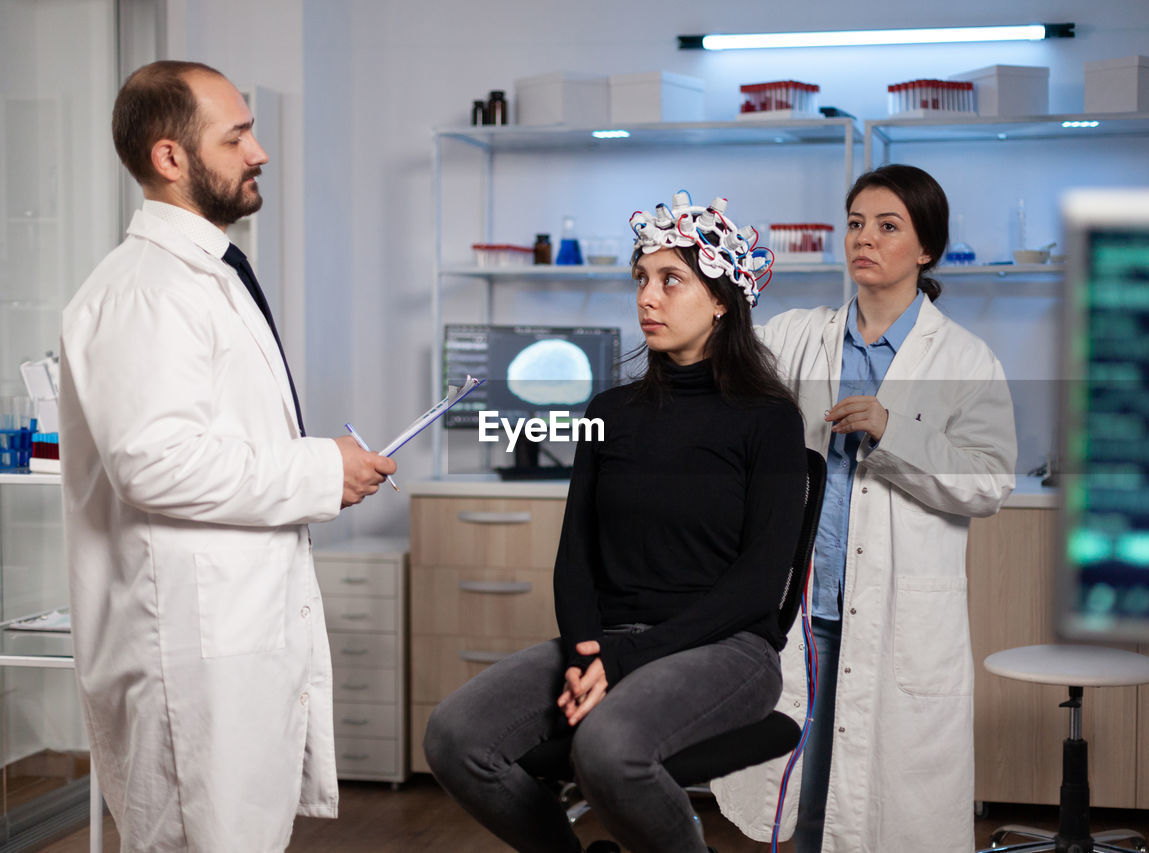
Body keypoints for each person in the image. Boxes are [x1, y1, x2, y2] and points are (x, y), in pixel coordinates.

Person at [60, 60, 396, 851]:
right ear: (171, 159)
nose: (260, 152)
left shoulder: (211, 273)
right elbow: (154, 462)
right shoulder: (146, 290)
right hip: (188, 653)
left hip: (233, 639)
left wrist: (324, 467)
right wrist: (321, 469)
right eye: (237, 135)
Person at [424, 192, 808, 853]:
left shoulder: (768, 420)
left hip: (727, 649)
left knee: (607, 747)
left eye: (670, 279)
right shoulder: (610, 410)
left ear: (721, 299)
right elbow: (575, 556)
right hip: (607, 641)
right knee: (455, 736)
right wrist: (585, 651)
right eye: (641, 279)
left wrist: (619, 657)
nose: (647, 298)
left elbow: (755, 589)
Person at [712, 164, 1018, 852]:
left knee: (879, 815)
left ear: (926, 248)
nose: (865, 238)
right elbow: (722, 377)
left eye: (888, 226)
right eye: (855, 223)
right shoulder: (795, 338)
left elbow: (990, 480)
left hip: (897, 620)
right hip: (803, 618)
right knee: (805, 802)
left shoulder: (966, 361)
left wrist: (893, 430)